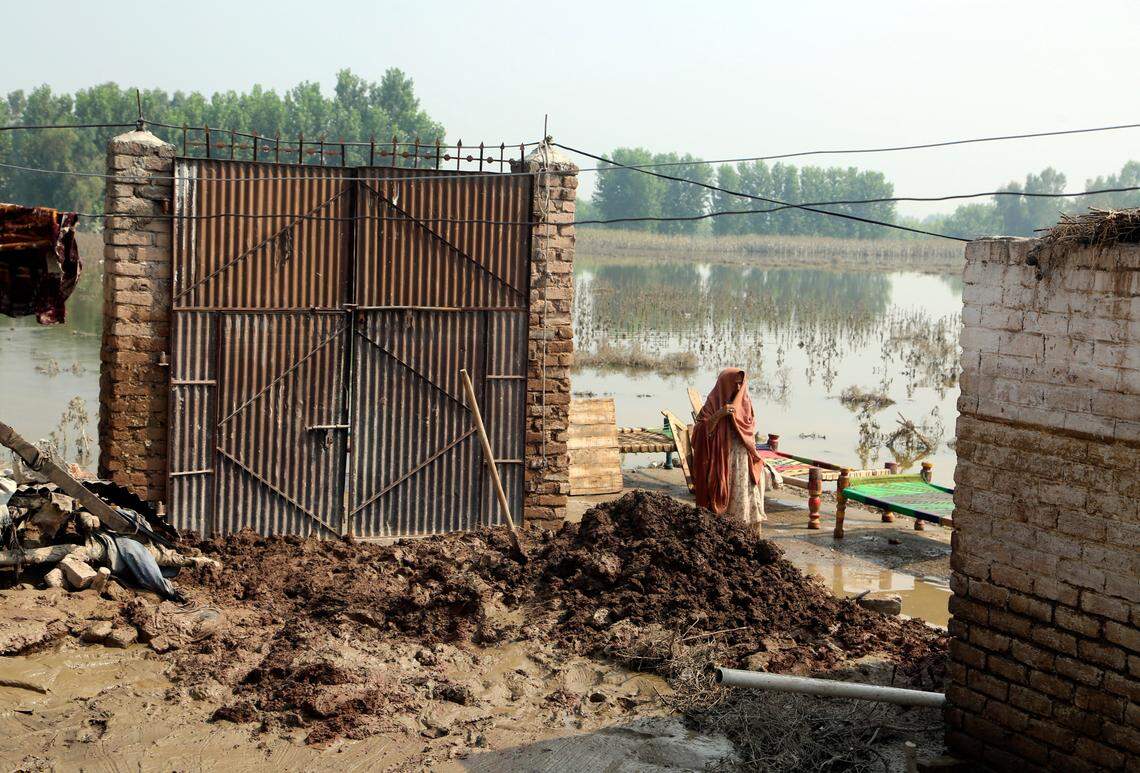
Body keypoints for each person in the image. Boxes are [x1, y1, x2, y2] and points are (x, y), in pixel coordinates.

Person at [691, 368, 766, 531]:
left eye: (741, 383)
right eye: (735, 383)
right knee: (724, 500)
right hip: (722, 459)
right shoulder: (713, 402)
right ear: (725, 383)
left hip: (742, 461)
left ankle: (744, 534)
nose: (738, 388)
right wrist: (720, 414)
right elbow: (699, 432)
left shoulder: (745, 402)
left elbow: (749, 428)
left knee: (744, 498)